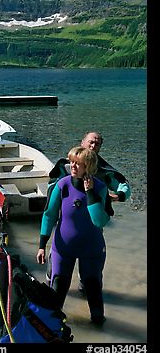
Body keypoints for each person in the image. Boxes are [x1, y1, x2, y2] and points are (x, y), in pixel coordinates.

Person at [36, 146, 110, 325]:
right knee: (58, 287)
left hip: (91, 249)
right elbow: (49, 215)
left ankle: (98, 327)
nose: (73, 166)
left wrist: (90, 193)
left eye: (78, 164)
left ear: (89, 166)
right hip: (63, 248)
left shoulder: (100, 188)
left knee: (93, 288)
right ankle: (52, 326)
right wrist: (41, 245)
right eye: (71, 162)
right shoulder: (62, 185)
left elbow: (100, 221)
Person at [48, 131, 131, 214]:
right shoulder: (66, 165)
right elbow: (52, 185)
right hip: (68, 209)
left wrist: (117, 196)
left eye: (97, 144)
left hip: (92, 212)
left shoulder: (104, 170)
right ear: (82, 143)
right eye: (91, 142)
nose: (93, 146)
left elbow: (123, 185)